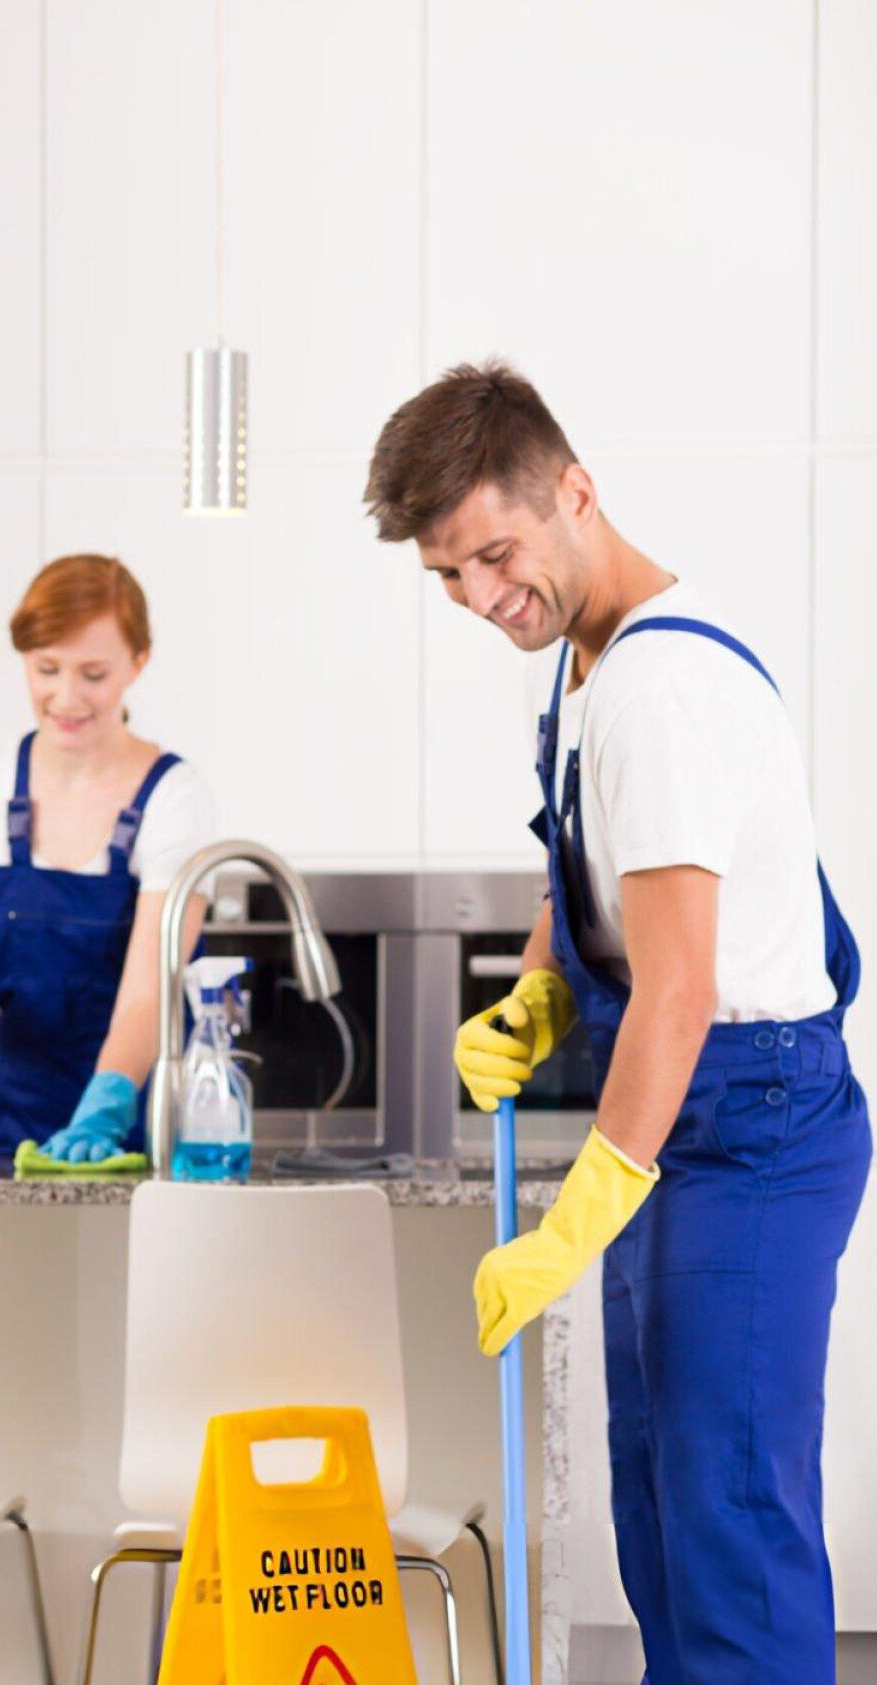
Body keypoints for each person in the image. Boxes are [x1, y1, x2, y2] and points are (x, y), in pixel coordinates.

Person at [365, 360, 871, 1682]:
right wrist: (537, 988)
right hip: (688, 1122)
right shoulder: (587, 662)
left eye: (493, 554)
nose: (480, 598)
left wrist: (580, 1207)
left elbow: (682, 985)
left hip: (742, 1122)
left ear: (573, 492)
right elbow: (598, 877)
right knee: (664, 1518)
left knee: (726, 1524)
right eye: (447, 576)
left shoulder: (658, 687)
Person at [0, 554, 218, 1163]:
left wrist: (106, 1110)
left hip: (137, 1124)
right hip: (9, 1127)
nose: (66, 697)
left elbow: (148, 991)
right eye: (47, 669)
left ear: (138, 664)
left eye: (93, 674)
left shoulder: (176, 798)